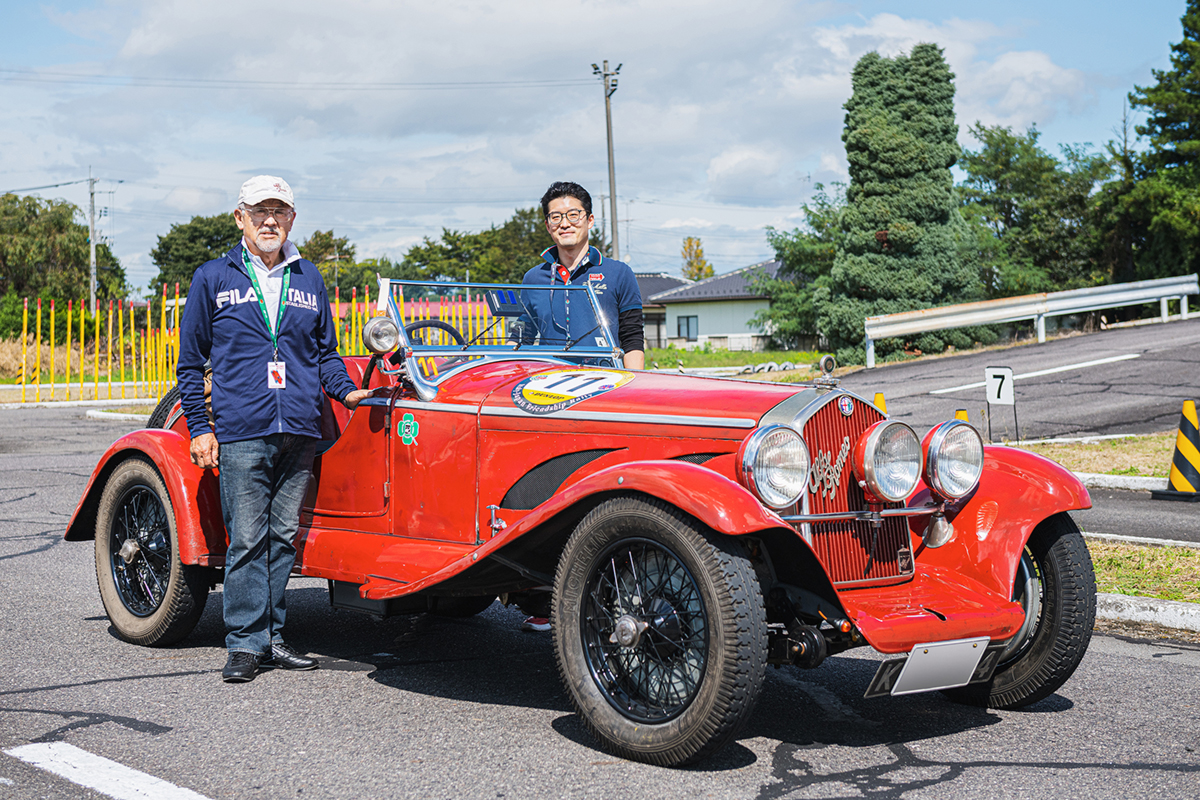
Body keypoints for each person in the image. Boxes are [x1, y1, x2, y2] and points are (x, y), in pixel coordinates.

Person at [178, 175, 373, 682]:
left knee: (283, 538)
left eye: (279, 211)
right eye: (259, 211)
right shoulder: (213, 277)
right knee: (246, 540)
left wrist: (346, 392)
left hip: (301, 428)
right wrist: (202, 429)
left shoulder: (308, 276)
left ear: (292, 218)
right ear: (239, 217)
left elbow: (325, 353)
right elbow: (189, 364)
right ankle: (244, 644)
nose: (270, 220)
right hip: (242, 428)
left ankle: (273, 638)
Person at [518, 182, 644, 632]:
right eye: (555, 216)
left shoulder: (617, 273)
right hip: (548, 396)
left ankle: (610, 595)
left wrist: (636, 388)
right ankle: (541, 597)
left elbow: (632, 337)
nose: (564, 223)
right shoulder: (534, 278)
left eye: (573, 215)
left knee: (601, 487)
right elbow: (524, 343)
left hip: (605, 391)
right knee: (547, 491)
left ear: (590, 221)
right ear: (547, 224)